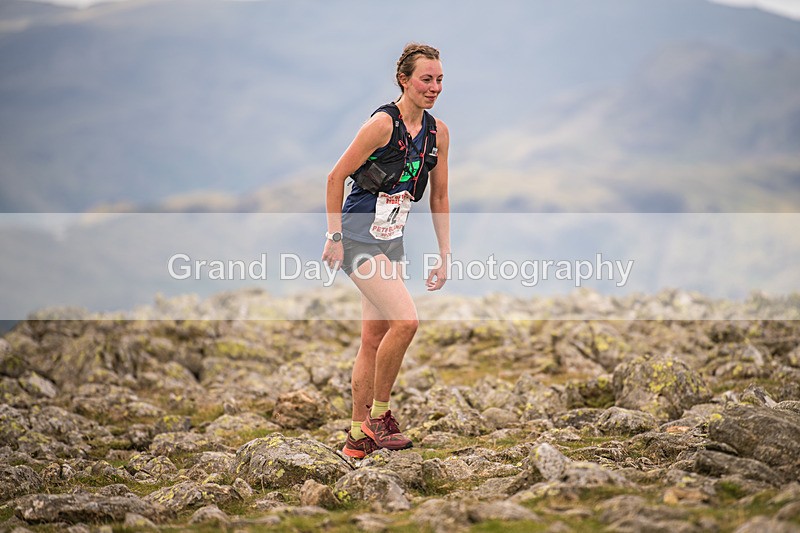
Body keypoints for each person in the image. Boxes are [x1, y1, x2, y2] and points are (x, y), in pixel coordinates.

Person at [322, 43, 450, 458]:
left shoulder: (437, 133)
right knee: (406, 322)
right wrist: (335, 236)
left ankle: (357, 438)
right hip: (358, 235)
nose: (433, 88)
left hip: (390, 239)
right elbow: (336, 176)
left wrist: (445, 253)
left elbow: (440, 196)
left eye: (439, 80)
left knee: (373, 338)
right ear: (404, 80)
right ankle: (380, 415)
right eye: (425, 79)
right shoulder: (382, 125)